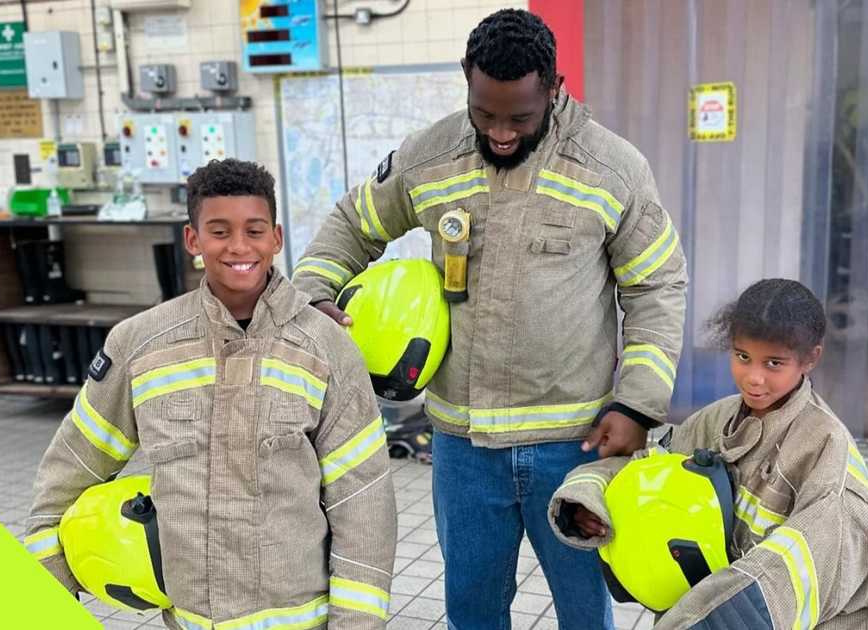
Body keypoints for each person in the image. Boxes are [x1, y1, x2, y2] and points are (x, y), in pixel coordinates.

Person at [292, 9, 686, 629]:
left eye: (520, 118)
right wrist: (315, 292)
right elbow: (351, 225)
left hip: (577, 447)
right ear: (466, 82)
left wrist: (638, 404)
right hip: (462, 450)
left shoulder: (613, 170)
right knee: (472, 614)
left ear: (554, 89)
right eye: (485, 114)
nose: (501, 133)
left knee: (586, 615)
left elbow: (657, 284)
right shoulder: (429, 157)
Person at [24, 159, 397, 630]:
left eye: (254, 230)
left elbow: (362, 502)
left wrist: (357, 624)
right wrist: (44, 586)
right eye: (219, 231)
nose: (239, 246)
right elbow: (70, 468)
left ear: (277, 238)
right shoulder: (139, 345)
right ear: (193, 240)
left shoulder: (327, 350)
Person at [549, 279, 868, 629]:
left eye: (774, 363)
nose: (754, 378)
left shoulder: (825, 448)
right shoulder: (716, 420)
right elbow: (645, 472)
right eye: (743, 357)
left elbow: (782, 579)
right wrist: (588, 502)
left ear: (810, 359)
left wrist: (698, 621)